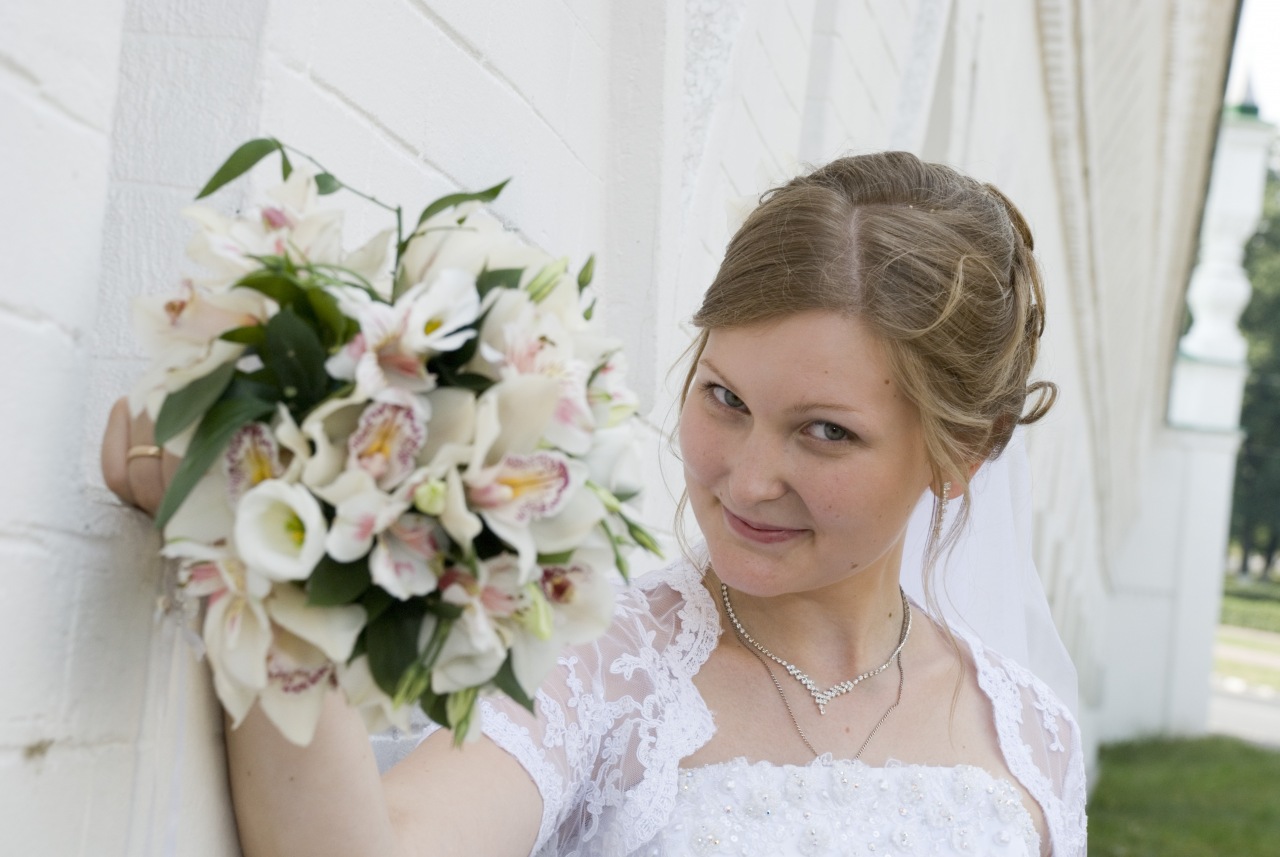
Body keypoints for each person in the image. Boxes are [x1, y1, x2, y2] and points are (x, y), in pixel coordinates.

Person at [102, 151, 1086, 856]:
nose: (748, 478)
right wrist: (261, 535)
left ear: (962, 452)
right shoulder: (601, 664)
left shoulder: (1028, 736)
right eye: (725, 399)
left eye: (824, 431)